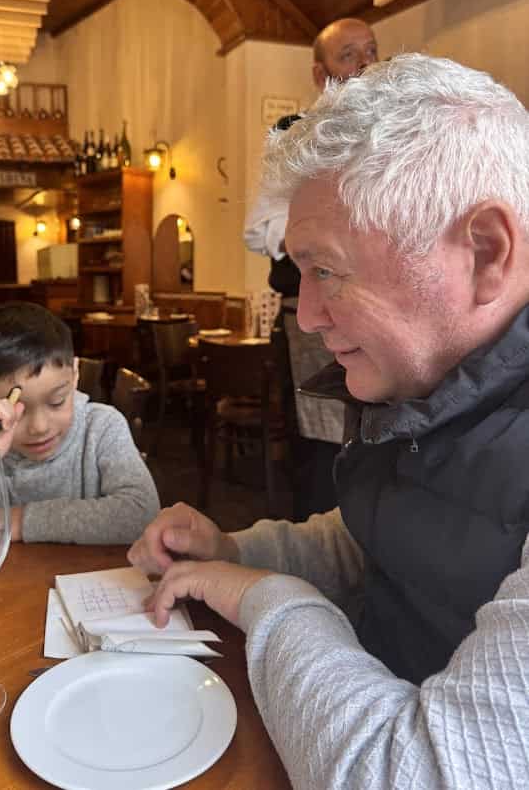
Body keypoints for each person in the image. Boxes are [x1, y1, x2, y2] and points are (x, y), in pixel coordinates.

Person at [130, 54, 529, 789]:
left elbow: (417, 775)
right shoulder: (431, 387)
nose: (307, 315)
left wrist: (266, 597)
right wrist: (236, 547)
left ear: (484, 253)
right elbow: (382, 535)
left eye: (328, 270)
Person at [244, 18, 379, 518]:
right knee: (322, 446)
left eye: (371, 50)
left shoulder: (393, 133)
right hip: (312, 315)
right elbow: (259, 228)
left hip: (380, 311)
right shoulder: (292, 136)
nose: (366, 63)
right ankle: (314, 560)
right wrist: (325, 236)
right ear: (321, 74)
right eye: (350, 55)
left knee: (382, 442)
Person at [0, 302, 160, 544]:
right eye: (16, 411)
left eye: (57, 401)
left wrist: (24, 520)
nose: (40, 427)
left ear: (74, 374)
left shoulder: (102, 427)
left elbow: (142, 513)